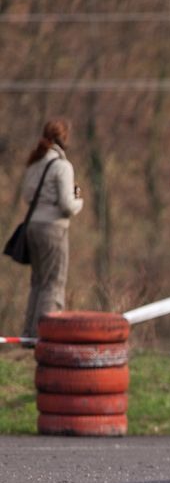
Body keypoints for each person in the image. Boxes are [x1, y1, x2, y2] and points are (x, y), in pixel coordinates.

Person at [20, 119, 83, 342]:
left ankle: (29, 334)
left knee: (37, 282)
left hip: (32, 227)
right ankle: (46, 335)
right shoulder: (62, 166)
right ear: (64, 138)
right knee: (53, 283)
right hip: (53, 229)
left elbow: (27, 196)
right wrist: (79, 202)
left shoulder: (35, 162)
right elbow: (67, 205)